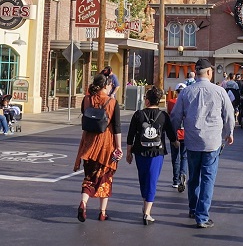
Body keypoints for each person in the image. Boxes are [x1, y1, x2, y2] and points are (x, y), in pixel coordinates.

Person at [171, 58, 235, 229]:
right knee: (208, 178)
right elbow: (229, 115)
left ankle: (193, 208)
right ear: (208, 72)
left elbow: (176, 116)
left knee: (194, 177)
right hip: (212, 141)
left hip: (192, 140)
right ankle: (202, 216)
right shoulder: (219, 91)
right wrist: (230, 133)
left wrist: (174, 135)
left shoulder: (186, 92)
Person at [126, 87, 178, 225]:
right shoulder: (163, 116)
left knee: (143, 178)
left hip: (140, 151)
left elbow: (131, 135)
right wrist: (176, 143)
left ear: (147, 100)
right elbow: (171, 133)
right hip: (157, 152)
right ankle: (147, 212)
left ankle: (146, 206)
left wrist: (128, 152)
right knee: (152, 180)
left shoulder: (138, 115)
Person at [75, 73, 122, 222]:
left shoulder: (86, 99)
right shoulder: (112, 103)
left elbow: (86, 116)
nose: (111, 88)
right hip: (106, 144)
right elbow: (117, 127)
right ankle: (102, 212)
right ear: (105, 86)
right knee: (105, 178)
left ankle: (83, 202)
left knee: (89, 177)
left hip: (88, 143)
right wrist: (119, 147)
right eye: (110, 85)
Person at [168, 83, 188, 192]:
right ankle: (183, 174)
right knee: (184, 156)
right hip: (186, 132)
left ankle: (175, 180)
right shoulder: (188, 102)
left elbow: (169, 116)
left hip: (175, 132)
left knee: (175, 157)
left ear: (176, 91)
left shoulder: (171, 102)